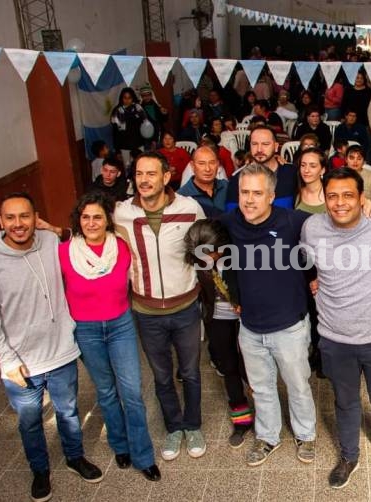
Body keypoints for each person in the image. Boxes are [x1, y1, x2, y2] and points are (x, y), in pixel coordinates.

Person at [301, 168, 371, 491]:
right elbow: (304, 261)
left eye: (349, 195)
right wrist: (313, 277)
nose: (340, 203)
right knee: (346, 403)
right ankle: (349, 456)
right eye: (333, 195)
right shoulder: (312, 228)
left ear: (362, 197)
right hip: (335, 340)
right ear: (323, 198)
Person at [0, 193, 103, 501]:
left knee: (68, 411)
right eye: (10, 218)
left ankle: (74, 456)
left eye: (24, 216)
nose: (18, 224)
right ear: (0, 222)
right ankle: (39, 470)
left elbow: (84, 240)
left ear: (35, 217)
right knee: (29, 422)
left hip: (60, 351)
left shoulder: (50, 243)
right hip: (20, 362)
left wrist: (53, 229)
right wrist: (6, 359)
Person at [219, 163, 317, 467]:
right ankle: (268, 436)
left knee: (298, 385)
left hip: (289, 325)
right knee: (261, 388)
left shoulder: (293, 221)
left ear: (271, 196)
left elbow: (333, 225)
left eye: (257, 193)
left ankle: (306, 435)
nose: (249, 200)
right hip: (249, 327)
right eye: (244, 192)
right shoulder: (230, 222)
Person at [58, 192, 160, 482]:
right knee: (106, 391)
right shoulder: (64, 252)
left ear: (108, 221)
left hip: (120, 325)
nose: (91, 222)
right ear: (79, 220)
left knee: (132, 392)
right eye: (86, 216)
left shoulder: (122, 248)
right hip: (86, 330)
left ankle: (143, 455)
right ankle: (120, 445)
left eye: (98, 217)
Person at [113, 152, 207, 462]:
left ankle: (192, 425)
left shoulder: (189, 208)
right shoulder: (121, 213)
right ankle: (173, 427)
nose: (144, 180)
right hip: (146, 311)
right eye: (139, 174)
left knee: (191, 372)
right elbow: (90, 232)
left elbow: (205, 248)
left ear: (166, 177)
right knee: (162, 376)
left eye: (151, 174)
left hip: (186, 308)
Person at [183, 220, 254, 448]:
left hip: (246, 318)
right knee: (228, 367)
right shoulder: (197, 261)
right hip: (217, 319)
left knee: (252, 366)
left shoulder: (239, 255)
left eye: (210, 252)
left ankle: (266, 415)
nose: (207, 258)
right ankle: (241, 419)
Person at [226, 126, 297, 211]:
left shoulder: (292, 173)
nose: (259, 149)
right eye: (254, 144)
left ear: (276, 146)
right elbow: (232, 215)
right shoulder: (237, 178)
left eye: (265, 144)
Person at [111, 87, 148, 170]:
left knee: (141, 167)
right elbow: (115, 133)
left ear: (133, 98)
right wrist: (117, 150)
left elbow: (146, 126)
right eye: (125, 98)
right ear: (121, 98)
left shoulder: (139, 108)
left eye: (129, 98)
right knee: (128, 169)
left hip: (139, 144)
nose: (127, 100)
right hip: (124, 146)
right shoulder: (117, 111)